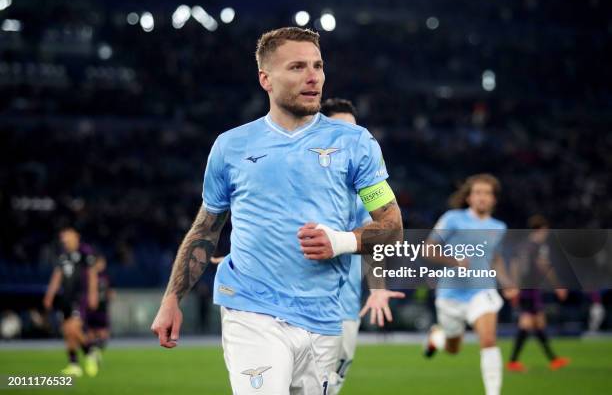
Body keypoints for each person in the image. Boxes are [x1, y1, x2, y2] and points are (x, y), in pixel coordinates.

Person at [151, 27, 403, 394]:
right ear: (265, 79)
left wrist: (342, 242)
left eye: (318, 65)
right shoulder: (230, 146)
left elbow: (392, 227)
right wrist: (172, 298)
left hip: (325, 317)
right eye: (298, 67)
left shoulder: (356, 143)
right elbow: (206, 229)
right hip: (252, 310)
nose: (313, 76)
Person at [320, 98, 405, 394]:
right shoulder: (299, 181)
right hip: (294, 303)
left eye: (355, 130)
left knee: (331, 385)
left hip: (344, 304)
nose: (351, 138)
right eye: (340, 130)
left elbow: (377, 237)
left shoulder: (361, 193)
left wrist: (378, 287)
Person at [423, 174, 516, 395]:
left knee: (488, 338)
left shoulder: (499, 227)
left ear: (494, 199)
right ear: (469, 197)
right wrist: (452, 260)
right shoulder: (452, 218)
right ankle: (437, 337)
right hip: (450, 294)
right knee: (454, 348)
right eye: (477, 192)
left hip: (482, 291)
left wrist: (508, 283)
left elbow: (496, 260)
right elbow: (428, 249)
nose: (482, 197)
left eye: (487, 193)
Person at [507, 215, 570, 372]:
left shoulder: (523, 245)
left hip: (524, 288)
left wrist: (513, 285)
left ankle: (553, 359)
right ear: (542, 229)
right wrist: (558, 286)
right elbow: (544, 266)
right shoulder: (539, 246)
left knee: (538, 323)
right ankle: (513, 362)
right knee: (527, 323)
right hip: (530, 289)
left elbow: (514, 265)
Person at [43, 227, 99, 377]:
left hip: (79, 297)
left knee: (74, 328)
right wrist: (50, 295)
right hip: (65, 298)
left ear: (76, 236)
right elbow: (57, 276)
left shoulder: (84, 252)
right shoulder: (63, 256)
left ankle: (89, 352)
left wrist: (93, 294)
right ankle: (74, 364)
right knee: (68, 332)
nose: (65, 240)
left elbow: (93, 273)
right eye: (63, 238)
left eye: (67, 236)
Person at [86, 255, 113, 363]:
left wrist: (109, 296)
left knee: (103, 332)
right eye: (100, 263)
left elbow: (111, 291)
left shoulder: (106, 276)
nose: (102, 265)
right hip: (91, 308)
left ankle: (97, 350)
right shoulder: (90, 276)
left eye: (103, 263)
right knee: (91, 331)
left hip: (102, 307)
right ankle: (93, 351)